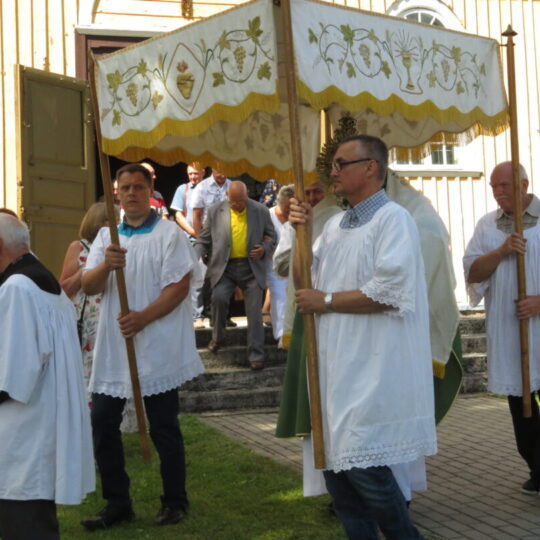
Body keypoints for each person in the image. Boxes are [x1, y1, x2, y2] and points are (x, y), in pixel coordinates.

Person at [288, 135, 436, 539]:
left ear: (371, 167)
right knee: (341, 484)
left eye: (341, 164)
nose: (333, 172)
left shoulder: (394, 220)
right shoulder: (334, 225)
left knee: (367, 473)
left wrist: (326, 301)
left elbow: (389, 292)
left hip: (374, 367)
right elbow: (305, 283)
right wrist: (301, 233)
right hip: (336, 366)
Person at [81, 163, 204, 530]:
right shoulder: (107, 237)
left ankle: (175, 500)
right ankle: (117, 502)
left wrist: (142, 317)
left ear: (150, 190)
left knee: (163, 426)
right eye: (125, 188)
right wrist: (106, 266)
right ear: (116, 194)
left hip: (156, 345)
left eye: (138, 186)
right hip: (115, 347)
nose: (131, 193)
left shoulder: (169, 234)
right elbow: (88, 286)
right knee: (102, 422)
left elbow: (178, 287)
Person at [0, 214, 95, 539]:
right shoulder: (40, 281)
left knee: (23, 520)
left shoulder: (17, 288)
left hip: (22, 429)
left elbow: (13, 375)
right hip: (39, 420)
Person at [464, 161, 540, 495]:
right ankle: (537, 468)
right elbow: (473, 273)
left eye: (504, 185)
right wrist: (502, 250)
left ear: (523, 185)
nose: (497, 192)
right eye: (494, 187)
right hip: (511, 332)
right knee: (521, 405)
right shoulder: (487, 225)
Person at [194, 181, 275, 370]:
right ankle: (218, 337)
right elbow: (203, 239)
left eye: (240, 201)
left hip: (251, 267)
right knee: (219, 298)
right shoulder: (215, 211)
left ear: (247, 195)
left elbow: (272, 236)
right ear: (227, 197)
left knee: (254, 312)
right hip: (225, 267)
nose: (236, 205)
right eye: (233, 201)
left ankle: (256, 355)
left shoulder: (261, 210)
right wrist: (192, 258)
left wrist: (264, 248)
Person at [59, 202, 113, 387]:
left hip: (110, 315)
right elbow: (64, 289)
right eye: (112, 219)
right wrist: (87, 268)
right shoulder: (78, 247)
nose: (118, 224)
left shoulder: (118, 247)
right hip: (86, 319)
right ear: (99, 222)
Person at [171, 162, 206, 328]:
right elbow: (178, 215)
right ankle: (196, 316)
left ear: (203, 172)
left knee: (213, 278)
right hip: (191, 240)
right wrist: (194, 232)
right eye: (190, 174)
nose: (193, 177)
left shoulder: (210, 188)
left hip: (212, 240)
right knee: (196, 278)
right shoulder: (182, 189)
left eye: (195, 173)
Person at [266, 184, 295, 344]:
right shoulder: (268, 216)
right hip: (271, 263)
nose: (289, 211)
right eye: (286, 207)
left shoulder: (297, 217)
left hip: (293, 263)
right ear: (280, 203)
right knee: (279, 294)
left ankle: (291, 331)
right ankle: (281, 334)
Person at [191, 167, 231, 236]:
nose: (223, 176)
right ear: (213, 169)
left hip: (228, 233)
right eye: (220, 172)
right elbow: (196, 216)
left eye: (225, 171)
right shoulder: (202, 187)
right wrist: (199, 238)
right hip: (208, 233)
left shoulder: (232, 185)